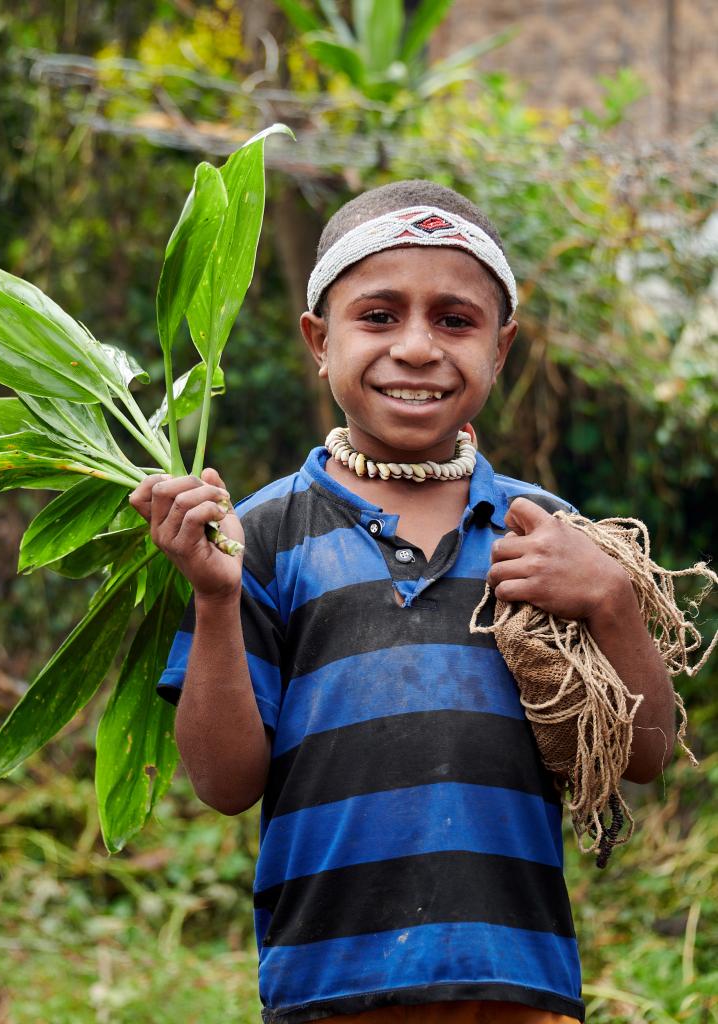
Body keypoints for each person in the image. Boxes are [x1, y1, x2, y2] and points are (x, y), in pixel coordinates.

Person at [129, 181, 676, 1024]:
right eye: (378, 316)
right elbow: (224, 782)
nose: (417, 348)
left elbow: (643, 755)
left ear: (502, 348)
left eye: (455, 320)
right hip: (328, 987)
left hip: (515, 983)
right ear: (319, 340)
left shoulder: (549, 534)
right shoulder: (257, 536)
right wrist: (212, 598)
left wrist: (611, 604)